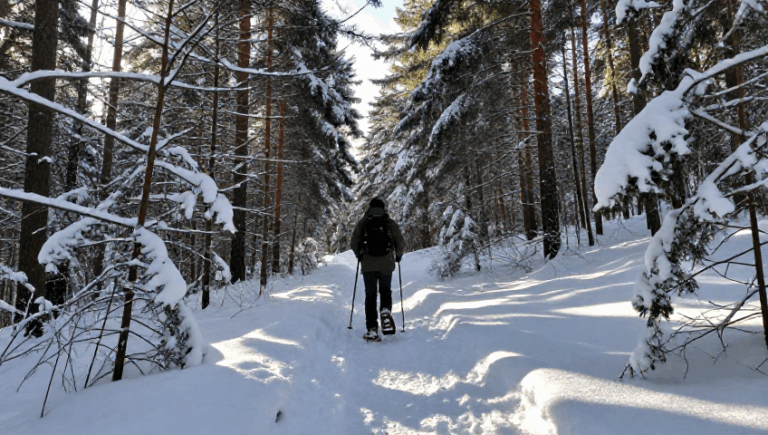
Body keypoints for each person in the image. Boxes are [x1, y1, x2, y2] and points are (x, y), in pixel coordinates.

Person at [350, 198, 406, 340]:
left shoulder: (363, 222)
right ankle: (385, 311)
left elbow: (353, 242)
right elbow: (400, 242)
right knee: (385, 291)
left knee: (370, 295)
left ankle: (372, 329)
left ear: (370, 207)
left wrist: (359, 255)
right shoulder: (389, 223)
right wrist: (398, 256)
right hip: (386, 263)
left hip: (368, 264)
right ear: (383, 208)